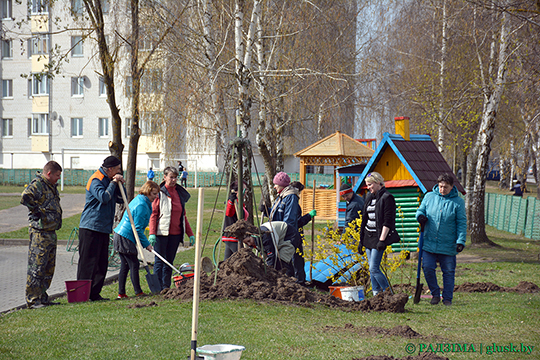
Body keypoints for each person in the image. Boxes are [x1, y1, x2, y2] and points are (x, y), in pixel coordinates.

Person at [77, 155, 125, 301]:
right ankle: (81, 294)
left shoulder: (111, 180)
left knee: (101, 262)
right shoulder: (96, 179)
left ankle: (95, 293)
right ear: (110, 169)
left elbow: (122, 199)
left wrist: (121, 184)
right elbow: (103, 197)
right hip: (90, 226)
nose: (119, 172)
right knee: (88, 262)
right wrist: (113, 183)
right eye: (117, 170)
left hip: (104, 227)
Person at [416, 173, 467, 306]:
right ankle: (435, 293)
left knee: (448, 272)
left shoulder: (458, 202)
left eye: (445, 187)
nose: (442, 189)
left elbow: (461, 222)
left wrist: (460, 241)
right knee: (427, 268)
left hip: (448, 243)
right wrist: (420, 216)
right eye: (440, 186)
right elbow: (420, 210)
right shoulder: (429, 197)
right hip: (429, 242)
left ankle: (447, 298)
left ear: (451, 187)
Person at [20, 161, 63, 309]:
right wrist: (37, 211)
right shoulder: (38, 184)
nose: (59, 178)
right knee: (37, 267)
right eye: (57, 175)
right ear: (49, 173)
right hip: (40, 233)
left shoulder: (50, 186)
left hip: (51, 231)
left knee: (48, 268)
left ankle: (42, 296)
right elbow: (25, 197)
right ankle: (33, 300)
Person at [148, 166, 195, 290]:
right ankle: (157, 287)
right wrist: (152, 233)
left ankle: (166, 286)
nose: (173, 180)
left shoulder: (179, 193)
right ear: (165, 177)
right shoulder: (160, 193)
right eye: (171, 177)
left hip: (175, 234)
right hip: (161, 233)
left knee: (169, 261)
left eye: (175, 177)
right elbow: (154, 214)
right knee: (159, 261)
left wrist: (190, 234)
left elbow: (183, 216)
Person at [113, 181, 159, 298]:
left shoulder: (141, 200)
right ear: (147, 192)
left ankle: (121, 293)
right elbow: (137, 229)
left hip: (121, 234)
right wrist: (147, 244)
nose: (155, 196)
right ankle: (138, 292)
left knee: (125, 265)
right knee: (133, 264)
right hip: (125, 236)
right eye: (154, 194)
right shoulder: (141, 205)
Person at [358, 172, 399, 296]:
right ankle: (377, 294)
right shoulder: (370, 197)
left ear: (377, 183)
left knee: (373, 268)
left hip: (378, 237)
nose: (368, 187)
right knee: (371, 269)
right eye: (367, 185)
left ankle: (388, 293)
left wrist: (382, 240)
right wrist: (361, 240)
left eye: (370, 185)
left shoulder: (387, 197)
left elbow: (388, 221)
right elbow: (365, 218)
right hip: (368, 236)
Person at [269, 172, 305, 284]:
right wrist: (268, 211)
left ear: (282, 185)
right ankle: (289, 282)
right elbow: (279, 214)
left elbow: (289, 219)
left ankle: (297, 282)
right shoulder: (282, 197)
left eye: (276, 184)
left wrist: (283, 234)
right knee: (285, 260)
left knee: (290, 260)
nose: (274, 187)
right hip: (281, 233)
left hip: (287, 234)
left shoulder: (290, 198)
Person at [222, 180, 248, 260]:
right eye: (244, 189)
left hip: (234, 237)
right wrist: (231, 202)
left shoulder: (240, 203)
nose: (246, 192)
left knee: (227, 262)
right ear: (237, 191)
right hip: (233, 237)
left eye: (246, 189)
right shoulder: (233, 203)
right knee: (243, 261)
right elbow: (229, 213)